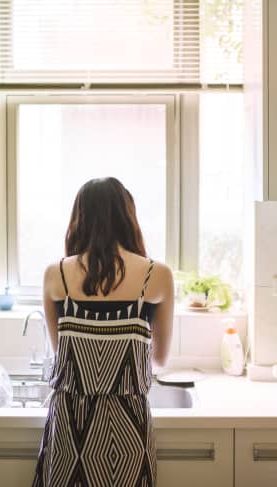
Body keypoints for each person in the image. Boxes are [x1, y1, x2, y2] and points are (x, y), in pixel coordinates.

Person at [33, 177, 175, 487]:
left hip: (71, 427)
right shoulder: (157, 275)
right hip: (129, 429)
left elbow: (61, 353)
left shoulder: (56, 275)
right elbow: (161, 360)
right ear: (128, 217)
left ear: (79, 219)